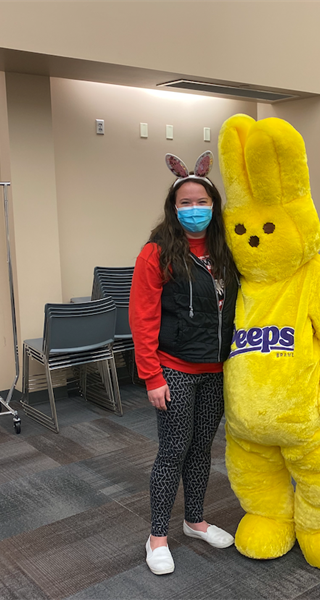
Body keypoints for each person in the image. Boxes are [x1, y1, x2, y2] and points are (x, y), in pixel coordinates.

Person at [129, 151, 239, 576]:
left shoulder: (226, 252)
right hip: (174, 368)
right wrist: (151, 376)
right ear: (173, 208)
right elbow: (142, 319)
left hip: (216, 370)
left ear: (214, 205)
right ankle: (157, 537)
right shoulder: (156, 253)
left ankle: (194, 521)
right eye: (186, 203)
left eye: (202, 202)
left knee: (201, 449)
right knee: (173, 451)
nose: (195, 209)